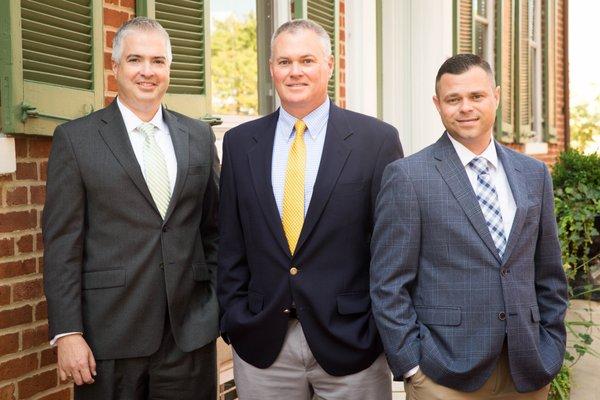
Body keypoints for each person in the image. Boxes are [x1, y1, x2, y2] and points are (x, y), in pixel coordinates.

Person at [218, 19, 403, 400]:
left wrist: (377, 328)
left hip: (352, 342)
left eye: (307, 60)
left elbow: (391, 246)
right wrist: (234, 319)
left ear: (329, 65)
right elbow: (230, 242)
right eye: (284, 62)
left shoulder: (377, 141)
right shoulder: (239, 143)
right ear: (271, 68)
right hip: (262, 345)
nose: (295, 71)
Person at [370, 53, 568, 399]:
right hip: (444, 374)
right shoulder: (408, 176)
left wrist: (551, 346)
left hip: (527, 369)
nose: (465, 108)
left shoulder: (533, 174)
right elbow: (389, 284)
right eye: (453, 99)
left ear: (497, 95)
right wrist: (412, 366)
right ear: (438, 104)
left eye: (476, 96)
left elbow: (548, 273)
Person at [42, 17, 219, 400]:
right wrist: (68, 332)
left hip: (189, 336)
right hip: (108, 338)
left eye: (158, 61)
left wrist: (215, 306)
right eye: (136, 59)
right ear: (116, 66)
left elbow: (214, 230)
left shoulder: (200, 137)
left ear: (168, 69)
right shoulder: (76, 140)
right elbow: (62, 245)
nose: (147, 72)